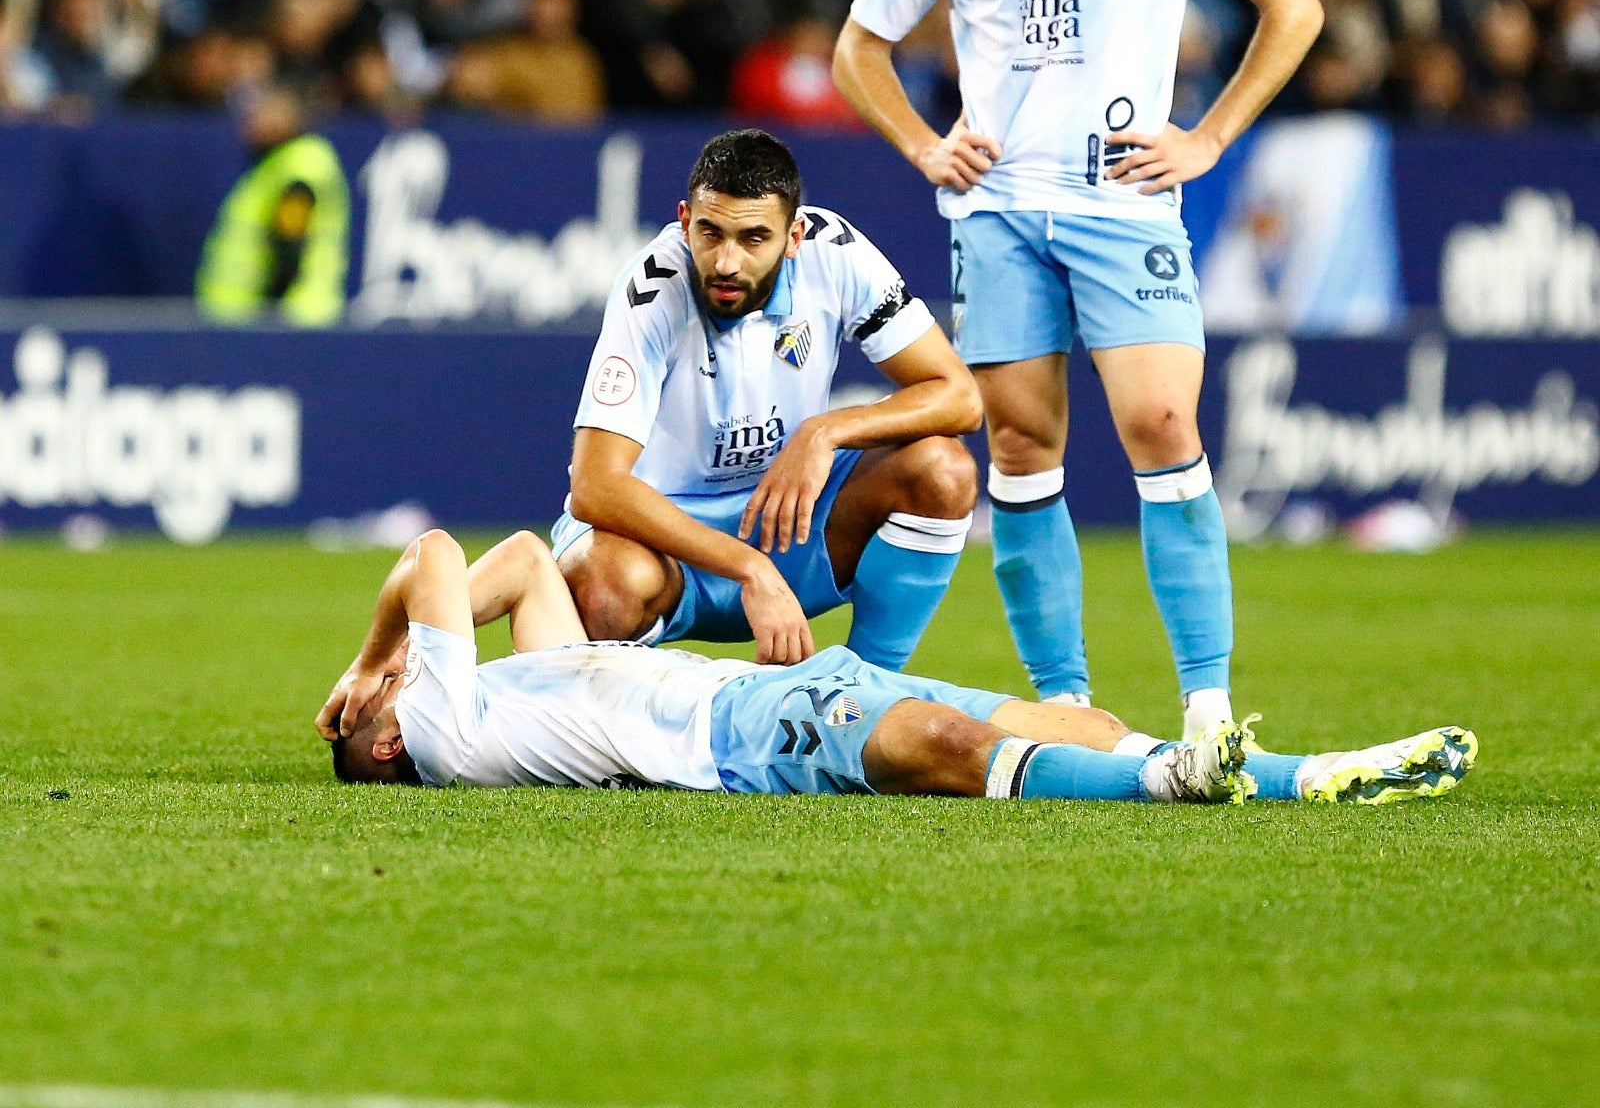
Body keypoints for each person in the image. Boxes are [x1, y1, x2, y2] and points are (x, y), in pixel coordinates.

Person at [832, 0, 1326, 740]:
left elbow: (1292, 4)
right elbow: (855, 49)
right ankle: (1063, 697)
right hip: (998, 212)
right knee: (1017, 449)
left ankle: (1207, 705)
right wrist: (923, 144)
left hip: (1123, 201)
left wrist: (1207, 138)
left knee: (1160, 421)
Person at [315, 526, 1478, 810]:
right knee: (950, 746)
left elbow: (519, 558)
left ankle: (1298, 771)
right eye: (376, 709)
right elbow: (427, 552)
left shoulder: (513, 700)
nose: (386, 689)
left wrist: (399, 650)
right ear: (382, 741)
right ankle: (1185, 782)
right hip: (746, 740)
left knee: (1066, 717)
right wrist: (374, 658)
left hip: (780, 688)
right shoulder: (448, 728)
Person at [555, 127, 982, 671]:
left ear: (795, 235)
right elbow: (595, 487)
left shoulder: (837, 255)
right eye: (710, 233)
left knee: (943, 470)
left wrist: (824, 432)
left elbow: (960, 398)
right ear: (685, 220)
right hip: (665, 546)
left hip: (790, 524)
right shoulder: (653, 288)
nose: (727, 262)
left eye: (754, 238)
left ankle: (859, 696)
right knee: (604, 584)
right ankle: (619, 745)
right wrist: (747, 566)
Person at [195, 84, 350, 325]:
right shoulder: (274, 165)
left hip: (293, 324)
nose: (253, 118)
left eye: (265, 110)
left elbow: (290, 245)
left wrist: (269, 318)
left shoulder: (301, 167)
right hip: (253, 323)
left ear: (290, 114)